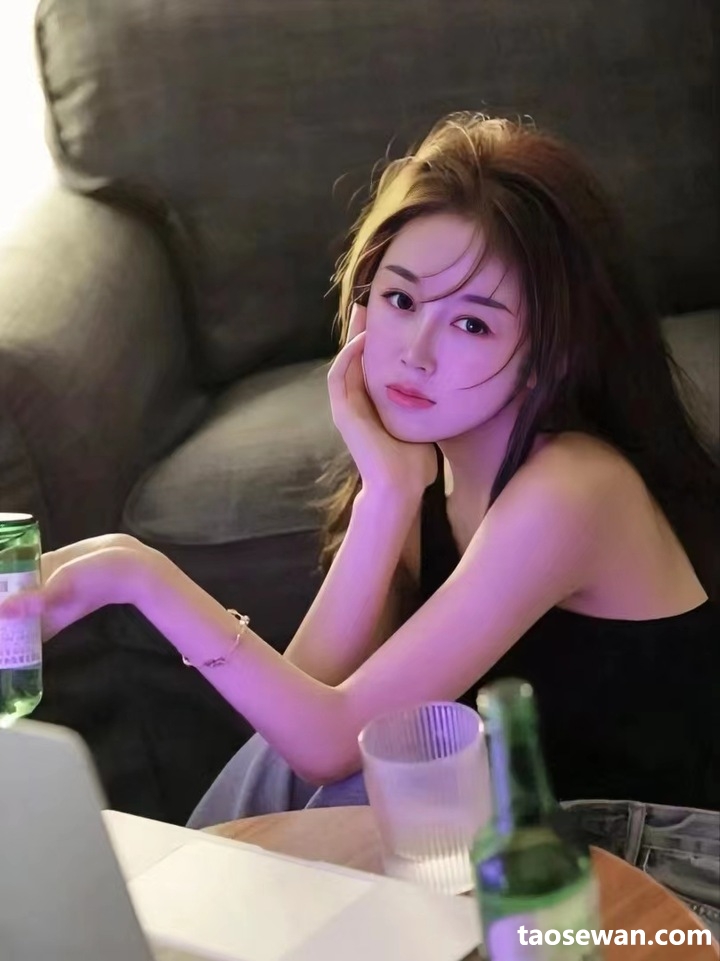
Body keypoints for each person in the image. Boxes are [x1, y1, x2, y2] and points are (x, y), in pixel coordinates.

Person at [2, 113, 719, 932]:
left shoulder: (575, 488)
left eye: (473, 322)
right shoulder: (422, 472)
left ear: (549, 355)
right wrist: (386, 492)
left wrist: (136, 573)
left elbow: (328, 742)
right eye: (400, 298)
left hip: (661, 875)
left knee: (363, 777)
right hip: (525, 848)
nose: (415, 350)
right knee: (341, 777)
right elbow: (302, 705)